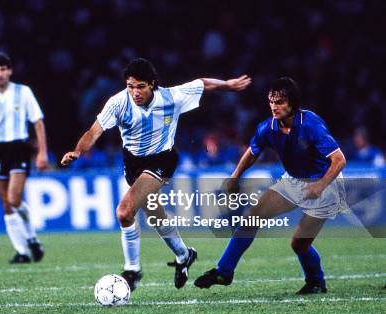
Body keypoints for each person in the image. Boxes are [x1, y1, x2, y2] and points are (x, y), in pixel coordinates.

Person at [61, 58, 251, 290]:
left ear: (152, 84)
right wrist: (77, 151)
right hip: (132, 164)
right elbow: (94, 131)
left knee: (124, 212)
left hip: (162, 159)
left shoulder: (172, 96)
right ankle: (184, 255)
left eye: (140, 86)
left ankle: (132, 271)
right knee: (155, 216)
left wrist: (228, 85)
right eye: (130, 86)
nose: (135, 92)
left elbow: (202, 83)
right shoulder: (118, 102)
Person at [194, 77, 347, 294]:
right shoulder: (268, 127)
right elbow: (252, 151)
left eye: (280, 102)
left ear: (292, 103)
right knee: (251, 218)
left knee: (299, 244)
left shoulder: (311, 124)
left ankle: (316, 281)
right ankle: (224, 271)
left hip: (326, 184)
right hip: (293, 180)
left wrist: (319, 186)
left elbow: (339, 159)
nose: (274, 107)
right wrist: (235, 176)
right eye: (271, 101)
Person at [0, 53, 49, 263]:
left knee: (14, 199)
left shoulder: (23, 92)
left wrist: (42, 152)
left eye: (3, 69)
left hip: (17, 148)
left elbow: (38, 122)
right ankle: (22, 251)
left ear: (10, 71)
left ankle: (31, 237)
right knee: (6, 204)